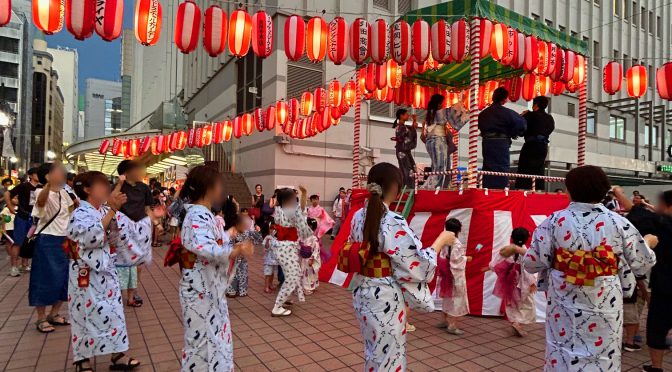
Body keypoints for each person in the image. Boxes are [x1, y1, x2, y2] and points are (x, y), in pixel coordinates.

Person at [522, 165, 656, 371]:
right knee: (604, 353)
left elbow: (532, 263)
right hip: (605, 298)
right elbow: (643, 261)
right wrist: (648, 242)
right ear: (604, 190)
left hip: (564, 297)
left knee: (562, 349)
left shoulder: (554, 221)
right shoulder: (619, 222)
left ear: (569, 190)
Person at [349, 162, 456, 371]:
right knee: (389, 357)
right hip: (385, 296)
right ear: (396, 188)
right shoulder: (392, 220)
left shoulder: (357, 216)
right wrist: (440, 242)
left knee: (374, 351)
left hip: (362, 290)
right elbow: (417, 263)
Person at [65, 171, 141, 372]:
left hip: (107, 272)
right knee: (84, 315)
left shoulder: (102, 210)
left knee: (114, 313)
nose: (106, 188)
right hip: (86, 274)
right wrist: (111, 211)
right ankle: (83, 360)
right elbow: (90, 238)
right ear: (87, 190)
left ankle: (117, 354)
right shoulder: (80, 213)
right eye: (101, 185)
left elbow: (117, 235)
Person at [179, 165, 253, 371]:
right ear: (209, 188)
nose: (222, 190)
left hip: (209, 291)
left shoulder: (205, 215)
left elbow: (215, 243)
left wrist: (232, 234)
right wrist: (236, 250)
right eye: (219, 185)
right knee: (201, 346)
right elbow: (206, 247)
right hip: (200, 292)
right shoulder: (197, 216)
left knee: (213, 342)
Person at [30, 162, 75, 333]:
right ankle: (40, 318)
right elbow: (40, 205)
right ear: (47, 175)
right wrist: (49, 185)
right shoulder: (41, 192)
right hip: (47, 240)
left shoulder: (65, 193)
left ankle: (54, 314)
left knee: (65, 278)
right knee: (43, 278)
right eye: (58, 172)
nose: (62, 174)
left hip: (65, 239)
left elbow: (72, 211)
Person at [640, 191, 672, 372]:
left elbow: (637, 216)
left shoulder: (661, 224)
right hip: (665, 284)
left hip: (665, 286)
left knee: (657, 329)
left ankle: (657, 367)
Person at [268, 186, 312, 316]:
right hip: (286, 248)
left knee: (291, 274)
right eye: (294, 198)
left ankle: (285, 298)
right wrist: (304, 194)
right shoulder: (289, 211)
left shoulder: (279, 209)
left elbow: (298, 208)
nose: (295, 200)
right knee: (293, 277)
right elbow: (301, 209)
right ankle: (277, 307)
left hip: (281, 247)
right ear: (288, 200)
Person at [490, 227, 537, 337]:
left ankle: (515, 322)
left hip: (510, 282)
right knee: (526, 304)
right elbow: (529, 270)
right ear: (526, 239)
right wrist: (533, 282)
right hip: (524, 282)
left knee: (512, 303)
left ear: (511, 237)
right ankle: (517, 323)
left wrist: (502, 271)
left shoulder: (505, 250)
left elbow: (493, 265)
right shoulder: (527, 253)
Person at [478, 87, 527, 189]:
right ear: (504, 99)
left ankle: (487, 189)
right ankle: (500, 191)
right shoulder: (507, 112)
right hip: (501, 143)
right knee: (501, 167)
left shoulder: (483, 114)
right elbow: (522, 125)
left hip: (487, 142)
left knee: (488, 166)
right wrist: (513, 132)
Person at [114, 160, 157, 266]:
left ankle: (135, 282)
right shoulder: (118, 187)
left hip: (141, 228)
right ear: (126, 173)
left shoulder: (144, 188)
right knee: (123, 261)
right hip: (123, 229)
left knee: (139, 261)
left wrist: (157, 224)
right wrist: (119, 184)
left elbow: (147, 209)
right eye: (136, 170)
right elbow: (110, 202)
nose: (140, 172)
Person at [422, 94, 465, 189]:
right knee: (441, 167)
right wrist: (462, 102)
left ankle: (434, 186)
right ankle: (436, 187)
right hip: (438, 141)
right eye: (442, 103)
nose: (443, 105)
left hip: (430, 141)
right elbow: (454, 114)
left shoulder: (428, 114)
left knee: (436, 166)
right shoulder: (442, 112)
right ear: (438, 104)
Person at [437, 218, 470, 335]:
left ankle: (444, 320)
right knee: (457, 299)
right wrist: (466, 258)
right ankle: (452, 325)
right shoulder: (456, 243)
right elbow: (455, 260)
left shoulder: (444, 240)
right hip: (455, 275)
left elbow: (443, 255)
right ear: (458, 230)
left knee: (447, 296)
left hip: (445, 273)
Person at [515, 96, 555, 190]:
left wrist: (523, 116)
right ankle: (538, 189)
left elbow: (521, 129)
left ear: (536, 105)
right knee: (539, 168)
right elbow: (550, 129)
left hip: (530, 145)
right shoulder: (550, 118)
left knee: (525, 167)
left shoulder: (530, 115)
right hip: (543, 146)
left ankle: (523, 190)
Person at [10, 167, 40, 274]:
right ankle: (14, 266)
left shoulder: (41, 187)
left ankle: (25, 264)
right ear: (30, 175)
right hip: (22, 217)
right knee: (18, 241)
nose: (38, 175)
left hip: (35, 218)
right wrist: (10, 208)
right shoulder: (23, 186)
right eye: (36, 173)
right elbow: (7, 194)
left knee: (29, 241)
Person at [226, 213, 262, 298]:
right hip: (238, 256)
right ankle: (242, 291)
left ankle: (233, 291)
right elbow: (259, 239)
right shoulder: (246, 232)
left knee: (235, 273)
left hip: (235, 257)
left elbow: (227, 246)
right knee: (240, 274)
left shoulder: (232, 232)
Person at [393, 108, 418, 188]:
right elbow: (410, 135)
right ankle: (408, 187)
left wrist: (414, 122)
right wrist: (413, 127)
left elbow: (411, 131)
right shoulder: (401, 127)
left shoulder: (402, 127)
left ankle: (408, 186)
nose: (408, 116)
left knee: (409, 168)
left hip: (404, 150)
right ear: (401, 115)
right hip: (402, 151)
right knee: (407, 169)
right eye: (406, 114)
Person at [300, 217, 321, 295]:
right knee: (304, 272)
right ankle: (304, 287)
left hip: (309, 257)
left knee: (309, 272)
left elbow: (316, 249)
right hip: (304, 257)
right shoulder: (304, 235)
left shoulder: (313, 238)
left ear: (310, 227)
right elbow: (300, 243)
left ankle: (308, 287)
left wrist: (312, 258)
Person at [2, 194, 17, 276]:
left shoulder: (18, 208)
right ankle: (10, 254)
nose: (16, 200)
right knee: (9, 243)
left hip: (15, 228)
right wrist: (3, 228)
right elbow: (4, 219)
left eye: (17, 198)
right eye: (14, 198)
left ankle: (13, 255)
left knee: (14, 243)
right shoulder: (6, 209)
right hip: (8, 228)